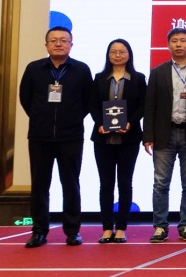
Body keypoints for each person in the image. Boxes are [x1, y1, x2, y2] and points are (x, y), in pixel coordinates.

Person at [18, 26, 96, 248]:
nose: (58, 44)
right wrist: (40, 118)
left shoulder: (81, 69)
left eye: (63, 40)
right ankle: (39, 231)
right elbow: (25, 98)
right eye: (53, 40)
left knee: (70, 184)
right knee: (40, 185)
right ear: (46, 45)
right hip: (40, 136)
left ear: (71, 44)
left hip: (70, 136)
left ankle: (72, 231)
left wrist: (71, 118)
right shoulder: (34, 69)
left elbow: (88, 101)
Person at [144, 27, 186, 243]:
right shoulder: (158, 72)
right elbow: (150, 106)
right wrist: (148, 135)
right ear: (168, 45)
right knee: (160, 183)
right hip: (165, 134)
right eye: (174, 41)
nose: (178, 44)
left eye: (183, 40)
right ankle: (160, 227)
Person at [88, 39, 146, 244]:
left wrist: (130, 122)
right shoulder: (99, 78)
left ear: (129, 54)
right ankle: (106, 228)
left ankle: (121, 228)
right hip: (103, 138)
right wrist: (99, 123)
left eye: (122, 51)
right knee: (105, 184)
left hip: (129, 138)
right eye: (114, 52)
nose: (118, 55)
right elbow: (92, 104)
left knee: (125, 183)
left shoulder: (138, 78)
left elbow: (143, 105)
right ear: (108, 55)